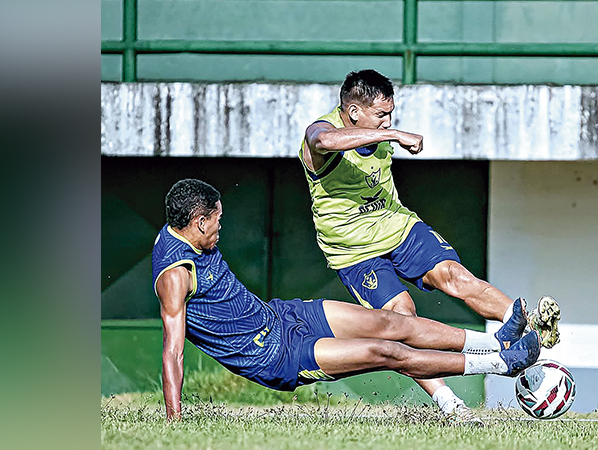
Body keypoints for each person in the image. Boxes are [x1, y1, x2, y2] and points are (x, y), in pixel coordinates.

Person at [153, 178, 543, 423]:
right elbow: (173, 353)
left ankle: (496, 340)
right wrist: (173, 421)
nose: (221, 227)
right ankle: (500, 363)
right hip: (273, 356)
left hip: (279, 314)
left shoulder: (180, 228)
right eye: (217, 221)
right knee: (387, 351)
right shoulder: (175, 276)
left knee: (393, 322)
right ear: (200, 222)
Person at [298, 69, 562, 419]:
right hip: (354, 251)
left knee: (454, 275)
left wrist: (385, 130)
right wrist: (393, 134)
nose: (388, 121)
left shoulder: (376, 129)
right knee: (402, 320)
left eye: (391, 113)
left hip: (398, 225)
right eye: (381, 115)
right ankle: (449, 402)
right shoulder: (321, 134)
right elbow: (323, 141)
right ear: (354, 111)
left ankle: (531, 332)